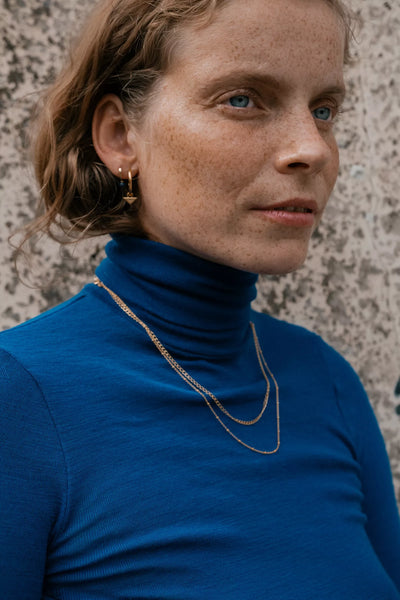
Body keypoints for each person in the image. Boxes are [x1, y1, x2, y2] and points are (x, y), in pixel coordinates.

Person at [1, 0, 399, 597]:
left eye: (323, 109)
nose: (312, 148)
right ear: (120, 137)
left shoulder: (327, 381)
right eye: (242, 99)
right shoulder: (19, 399)